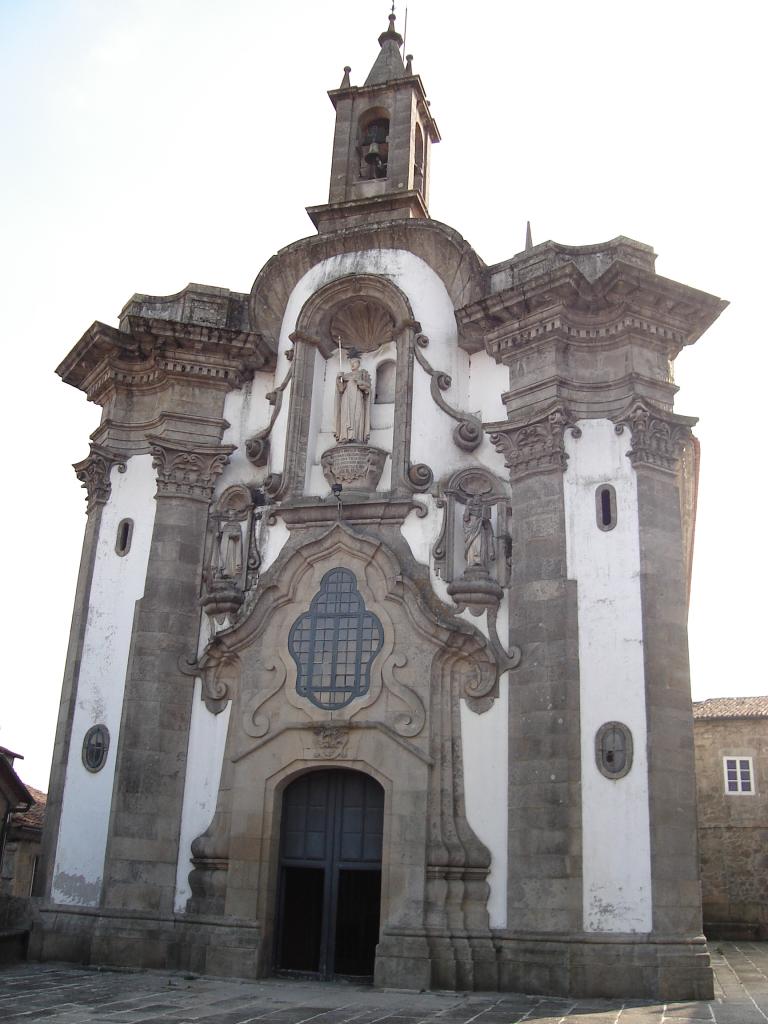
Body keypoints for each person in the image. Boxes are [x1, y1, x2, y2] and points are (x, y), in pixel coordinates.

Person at [334, 353, 371, 443]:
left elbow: (367, 388)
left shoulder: (363, 374)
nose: (352, 364)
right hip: (347, 398)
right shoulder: (346, 376)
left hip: (358, 397)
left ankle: (357, 437)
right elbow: (341, 389)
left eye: (354, 362)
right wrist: (339, 380)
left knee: (357, 416)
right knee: (346, 416)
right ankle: (345, 437)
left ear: (358, 363)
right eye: (351, 362)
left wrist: (359, 382)